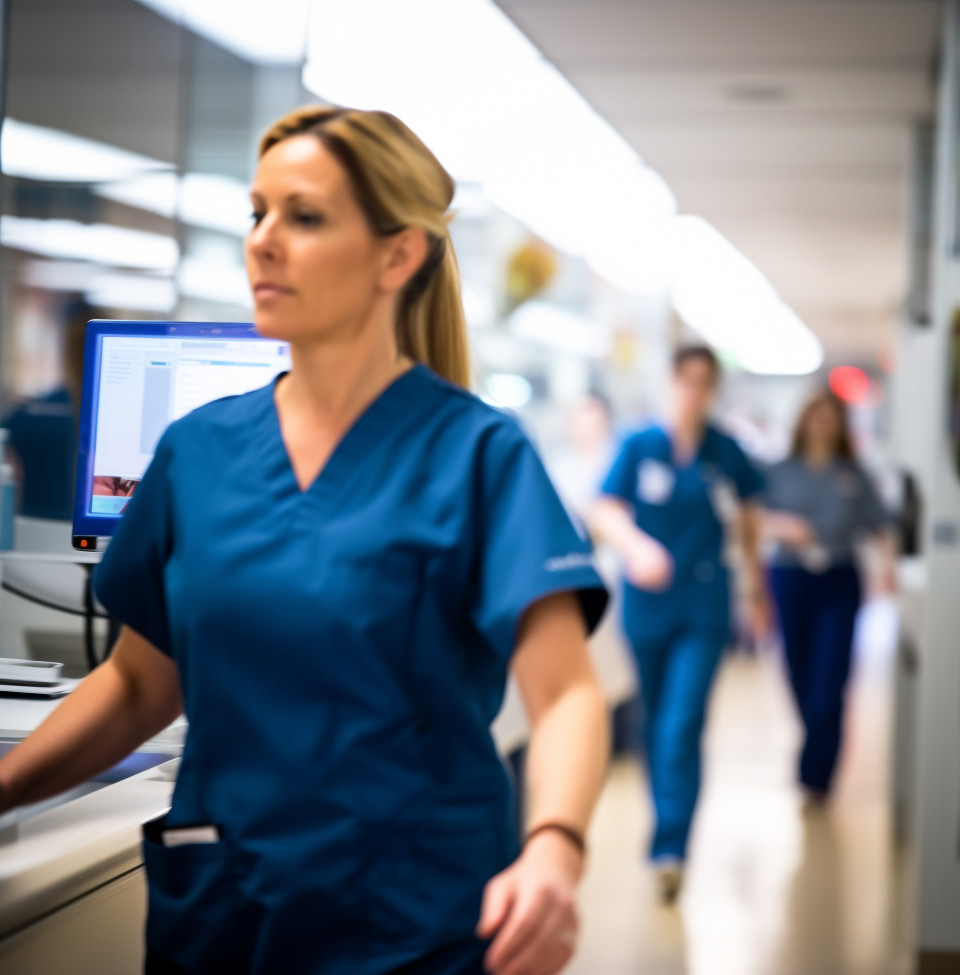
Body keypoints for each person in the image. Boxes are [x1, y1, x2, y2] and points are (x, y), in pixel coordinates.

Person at [0, 104, 611, 975]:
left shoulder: (478, 455)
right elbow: (138, 683)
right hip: (222, 915)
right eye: (258, 213)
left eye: (306, 216)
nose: (263, 241)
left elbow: (568, 695)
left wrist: (555, 846)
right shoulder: (198, 452)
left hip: (409, 924)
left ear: (398, 256)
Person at [588, 344, 768, 903]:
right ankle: (666, 822)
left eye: (703, 381)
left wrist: (757, 589)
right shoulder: (639, 444)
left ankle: (671, 847)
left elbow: (751, 519)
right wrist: (635, 546)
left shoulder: (725, 450)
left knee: (681, 723)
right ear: (670, 380)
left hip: (705, 605)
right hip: (646, 605)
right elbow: (603, 509)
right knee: (652, 724)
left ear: (713, 387)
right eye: (685, 378)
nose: (693, 390)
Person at [764, 389, 896, 806]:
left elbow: (881, 525)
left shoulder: (854, 475)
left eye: (830, 417)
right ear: (803, 422)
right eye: (815, 416)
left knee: (830, 678)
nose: (821, 425)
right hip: (790, 577)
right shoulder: (779, 471)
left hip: (839, 579)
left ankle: (817, 776)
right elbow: (753, 518)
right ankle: (813, 744)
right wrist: (783, 527)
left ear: (841, 425)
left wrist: (888, 568)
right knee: (798, 673)